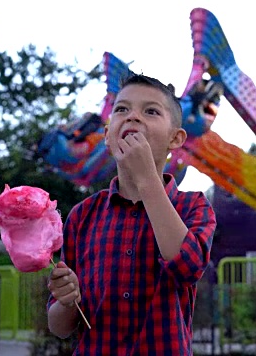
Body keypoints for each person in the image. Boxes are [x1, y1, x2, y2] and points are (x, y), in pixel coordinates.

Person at [46, 73, 217, 355]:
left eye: (150, 111)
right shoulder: (81, 216)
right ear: (107, 135)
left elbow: (188, 268)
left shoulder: (193, 207)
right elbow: (60, 327)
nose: (132, 117)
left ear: (176, 138)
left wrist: (147, 179)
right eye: (122, 109)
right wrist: (67, 301)